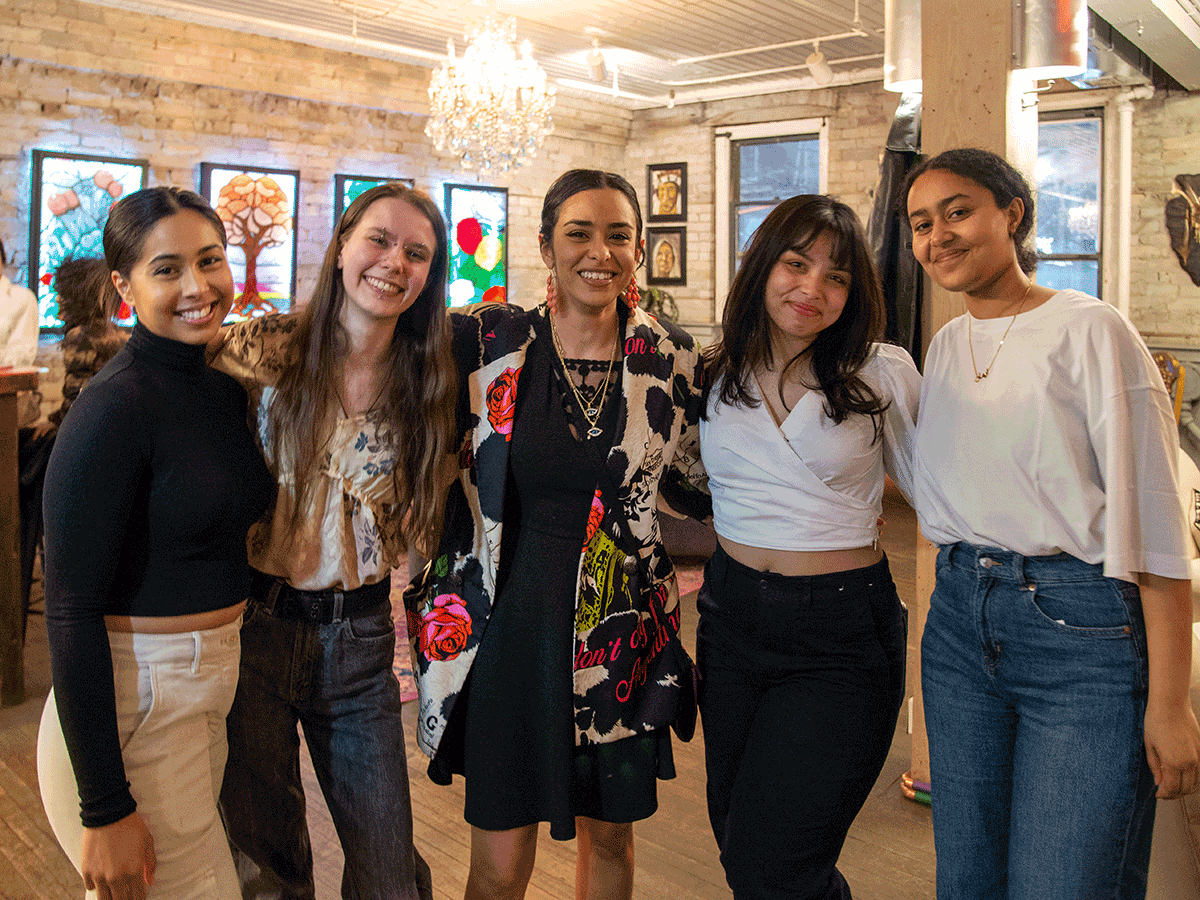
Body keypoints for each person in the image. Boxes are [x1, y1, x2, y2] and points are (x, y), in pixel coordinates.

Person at [905, 147, 1200, 898]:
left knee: (1065, 882)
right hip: (959, 624)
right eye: (920, 223)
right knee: (966, 876)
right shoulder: (943, 348)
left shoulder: (1090, 329)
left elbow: (1156, 526)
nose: (938, 234)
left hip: (1079, 630)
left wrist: (1170, 704)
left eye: (958, 211)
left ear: (1014, 213)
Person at [410, 168, 709, 900]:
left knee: (611, 840)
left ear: (637, 250)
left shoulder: (672, 356)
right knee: (500, 864)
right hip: (507, 626)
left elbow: (697, 484)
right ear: (546, 245)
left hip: (621, 635)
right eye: (579, 232)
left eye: (619, 235)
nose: (599, 251)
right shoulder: (485, 342)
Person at [213, 182, 452, 900]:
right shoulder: (265, 348)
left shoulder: (430, 380)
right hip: (254, 625)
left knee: (387, 872)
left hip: (360, 639)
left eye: (417, 254)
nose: (393, 263)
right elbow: (160, 399)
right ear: (343, 244)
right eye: (378, 239)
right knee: (266, 866)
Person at [36, 186, 277, 900]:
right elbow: (70, 609)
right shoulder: (115, 406)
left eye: (210, 260)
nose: (198, 286)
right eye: (166, 269)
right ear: (123, 284)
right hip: (138, 697)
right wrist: (105, 808)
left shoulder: (224, 387)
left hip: (205, 687)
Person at [697, 194, 917, 899]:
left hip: (840, 634)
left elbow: (945, 491)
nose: (811, 290)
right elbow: (675, 480)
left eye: (836, 277)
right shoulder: (712, 368)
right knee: (739, 844)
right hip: (728, 622)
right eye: (796, 265)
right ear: (763, 266)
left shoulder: (881, 371)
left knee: (776, 863)